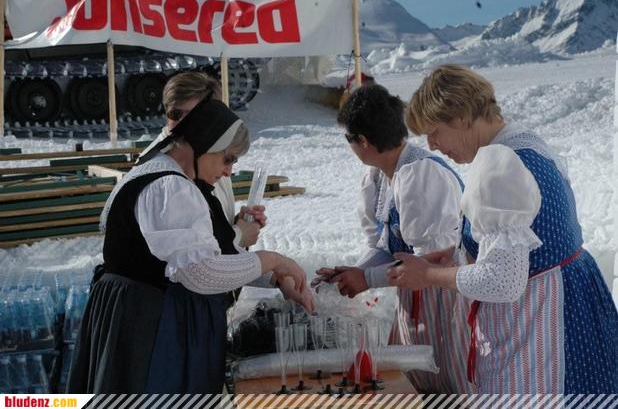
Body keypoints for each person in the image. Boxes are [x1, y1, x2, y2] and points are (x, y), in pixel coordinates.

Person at [388, 64, 618, 393]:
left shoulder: (497, 167)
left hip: (538, 327)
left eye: (435, 131)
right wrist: (457, 257)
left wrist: (428, 276)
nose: (433, 145)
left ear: (462, 117)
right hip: (576, 305)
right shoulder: (527, 145)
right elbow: (529, 240)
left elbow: (503, 280)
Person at [67, 97, 314, 393]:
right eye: (227, 159)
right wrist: (271, 259)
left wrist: (274, 277)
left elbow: (210, 255)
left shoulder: (167, 176)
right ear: (204, 143)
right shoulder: (169, 187)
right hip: (151, 328)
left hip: (142, 316)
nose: (228, 171)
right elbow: (199, 272)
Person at [315, 84, 472, 393]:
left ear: (363, 141)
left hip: (446, 299)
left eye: (348, 139)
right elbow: (383, 245)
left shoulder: (420, 175)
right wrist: (353, 272)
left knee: (450, 387)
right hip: (413, 297)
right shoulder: (379, 177)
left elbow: (431, 259)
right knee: (412, 383)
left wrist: (368, 279)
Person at [139, 72, 264, 248]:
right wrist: (238, 235)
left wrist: (237, 224)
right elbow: (187, 252)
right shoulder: (165, 169)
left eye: (191, 116)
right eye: (175, 114)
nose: (182, 123)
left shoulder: (210, 154)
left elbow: (203, 227)